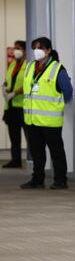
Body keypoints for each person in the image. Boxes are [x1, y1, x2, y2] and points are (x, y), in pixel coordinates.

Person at [20, 37, 73, 189]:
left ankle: (60, 181)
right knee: (37, 153)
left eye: (40, 48)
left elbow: (67, 90)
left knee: (56, 152)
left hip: (50, 120)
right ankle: (37, 179)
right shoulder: (30, 67)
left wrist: (59, 104)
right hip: (32, 119)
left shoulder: (57, 69)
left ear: (48, 50)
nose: (37, 51)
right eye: (35, 48)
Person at [1, 40, 28, 168]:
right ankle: (15, 160)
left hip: (22, 106)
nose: (15, 51)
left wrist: (15, 92)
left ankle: (32, 160)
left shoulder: (28, 66)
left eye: (18, 48)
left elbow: (28, 84)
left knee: (29, 135)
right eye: (14, 48)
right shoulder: (12, 65)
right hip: (11, 106)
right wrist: (5, 88)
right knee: (14, 135)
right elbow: (8, 80)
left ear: (24, 51)